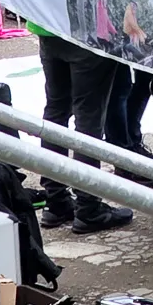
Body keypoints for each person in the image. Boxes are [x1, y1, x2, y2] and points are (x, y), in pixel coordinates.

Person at [35, 28, 134, 232]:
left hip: (46, 26)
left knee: (56, 111)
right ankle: (88, 208)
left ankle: (56, 201)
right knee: (88, 120)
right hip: (88, 33)